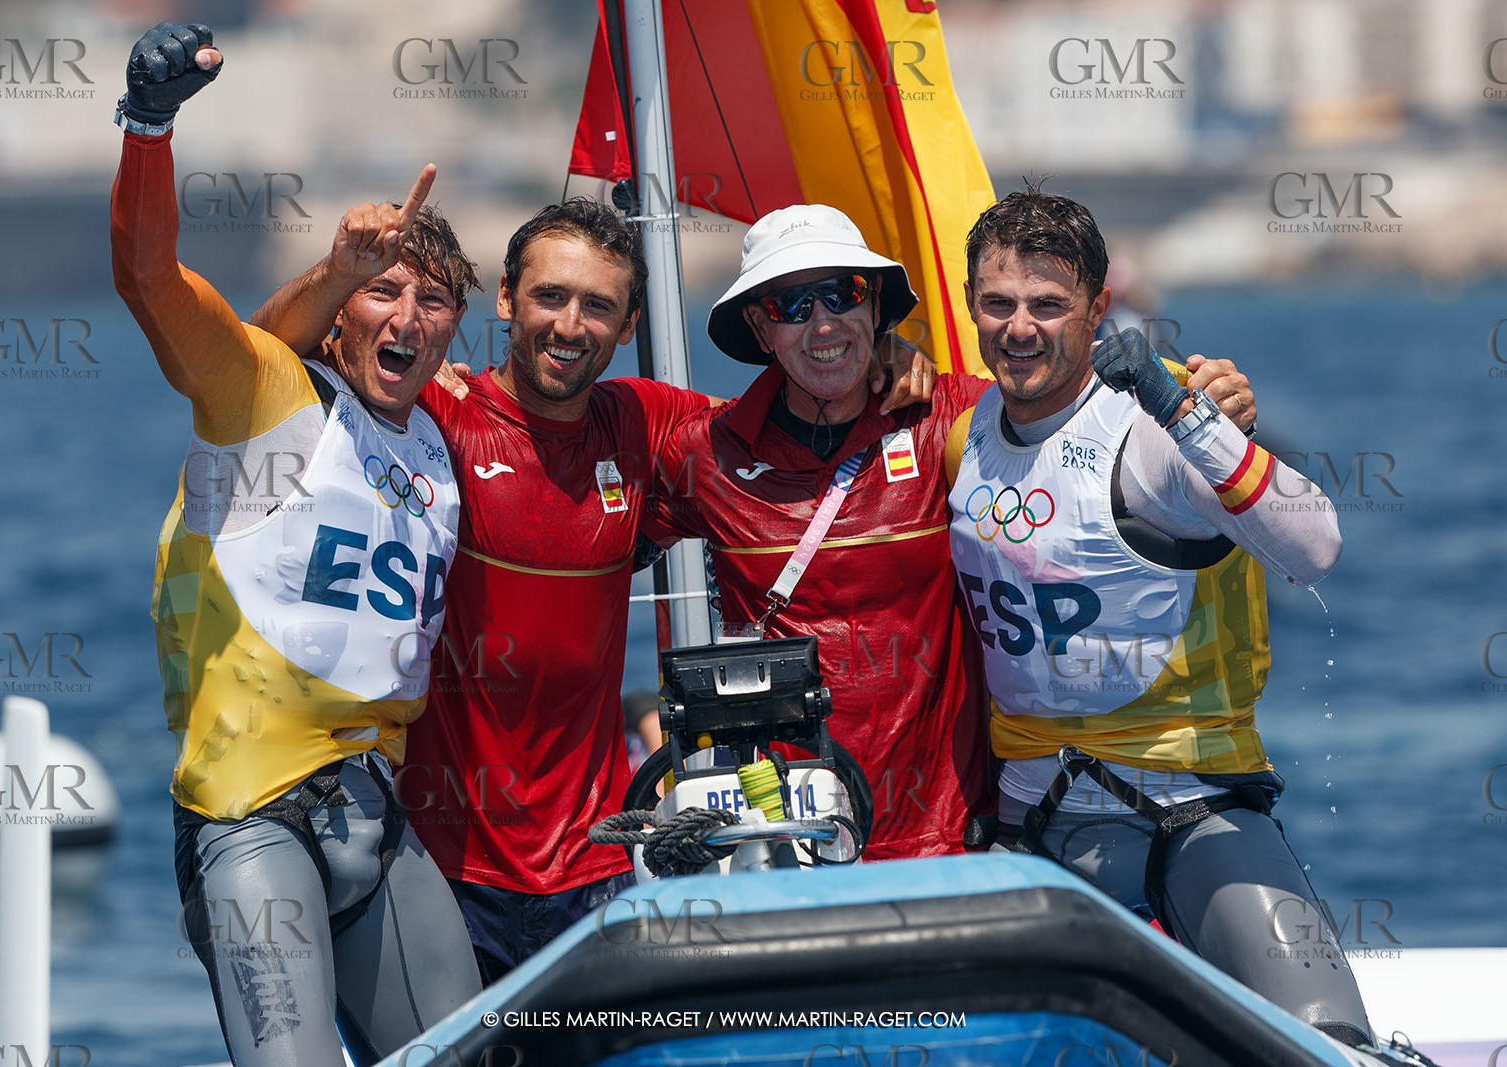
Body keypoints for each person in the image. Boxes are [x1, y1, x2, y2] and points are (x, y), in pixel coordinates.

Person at [251, 191, 936, 984]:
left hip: (602, 863)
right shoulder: (434, 411)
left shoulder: (642, 424)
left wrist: (881, 355)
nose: (570, 326)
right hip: (442, 864)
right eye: (550, 296)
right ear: (507, 299)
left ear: (632, 322)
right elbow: (260, 361)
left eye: (598, 306)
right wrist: (338, 275)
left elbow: (792, 417)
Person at [644, 204, 1261, 861]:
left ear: (874, 304)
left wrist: (1208, 406)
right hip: (781, 827)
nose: (822, 321)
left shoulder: (959, 416)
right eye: (792, 305)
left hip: (950, 835)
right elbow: (587, 531)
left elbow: (1095, 415)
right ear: (761, 328)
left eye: (842, 294)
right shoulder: (704, 454)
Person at [111, 24, 479, 1066]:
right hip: (250, 822)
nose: (408, 313)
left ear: (453, 328)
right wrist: (149, 124)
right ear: (337, 313)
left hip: (377, 823)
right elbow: (148, 278)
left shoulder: (447, 445)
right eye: (384, 289)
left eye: (434, 298)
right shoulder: (269, 397)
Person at [946, 186, 1379, 1049]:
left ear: (1100, 308)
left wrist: (1186, 411)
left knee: (1327, 1043)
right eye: (998, 304)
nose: (1020, 328)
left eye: (1048, 305)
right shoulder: (963, 438)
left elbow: (1315, 545)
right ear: (971, 306)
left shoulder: (1156, 424)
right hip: (1033, 830)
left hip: (1198, 813)